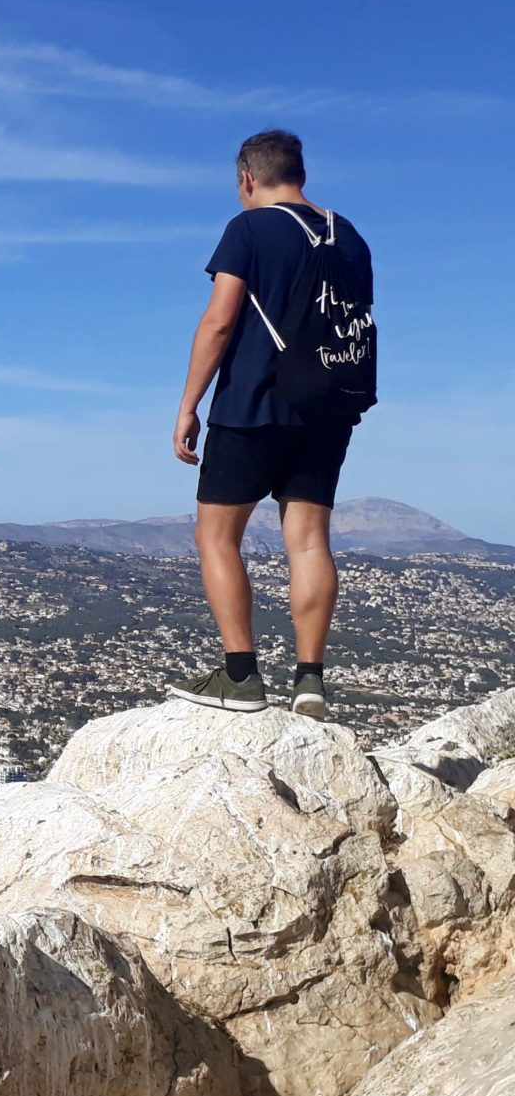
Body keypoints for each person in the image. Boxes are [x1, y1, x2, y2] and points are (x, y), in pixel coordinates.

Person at [169, 129, 373, 720]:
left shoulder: (249, 229)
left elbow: (219, 321)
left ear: (247, 179)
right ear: (299, 173)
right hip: (327, 406)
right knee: (309, 541)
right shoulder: (350, 236)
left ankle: (241, 675)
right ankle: (310, 681)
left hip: (253, 405)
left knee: (216, 536)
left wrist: (189, 404)